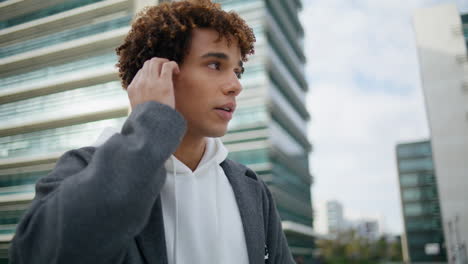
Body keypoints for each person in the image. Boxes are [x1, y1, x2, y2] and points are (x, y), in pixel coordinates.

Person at [9, 0, 295, 263]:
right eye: (214, 64)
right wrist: (151, 124)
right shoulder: (83, 167)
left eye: (237, 71)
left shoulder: (251, 188)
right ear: (159, 72)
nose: (236, 85)